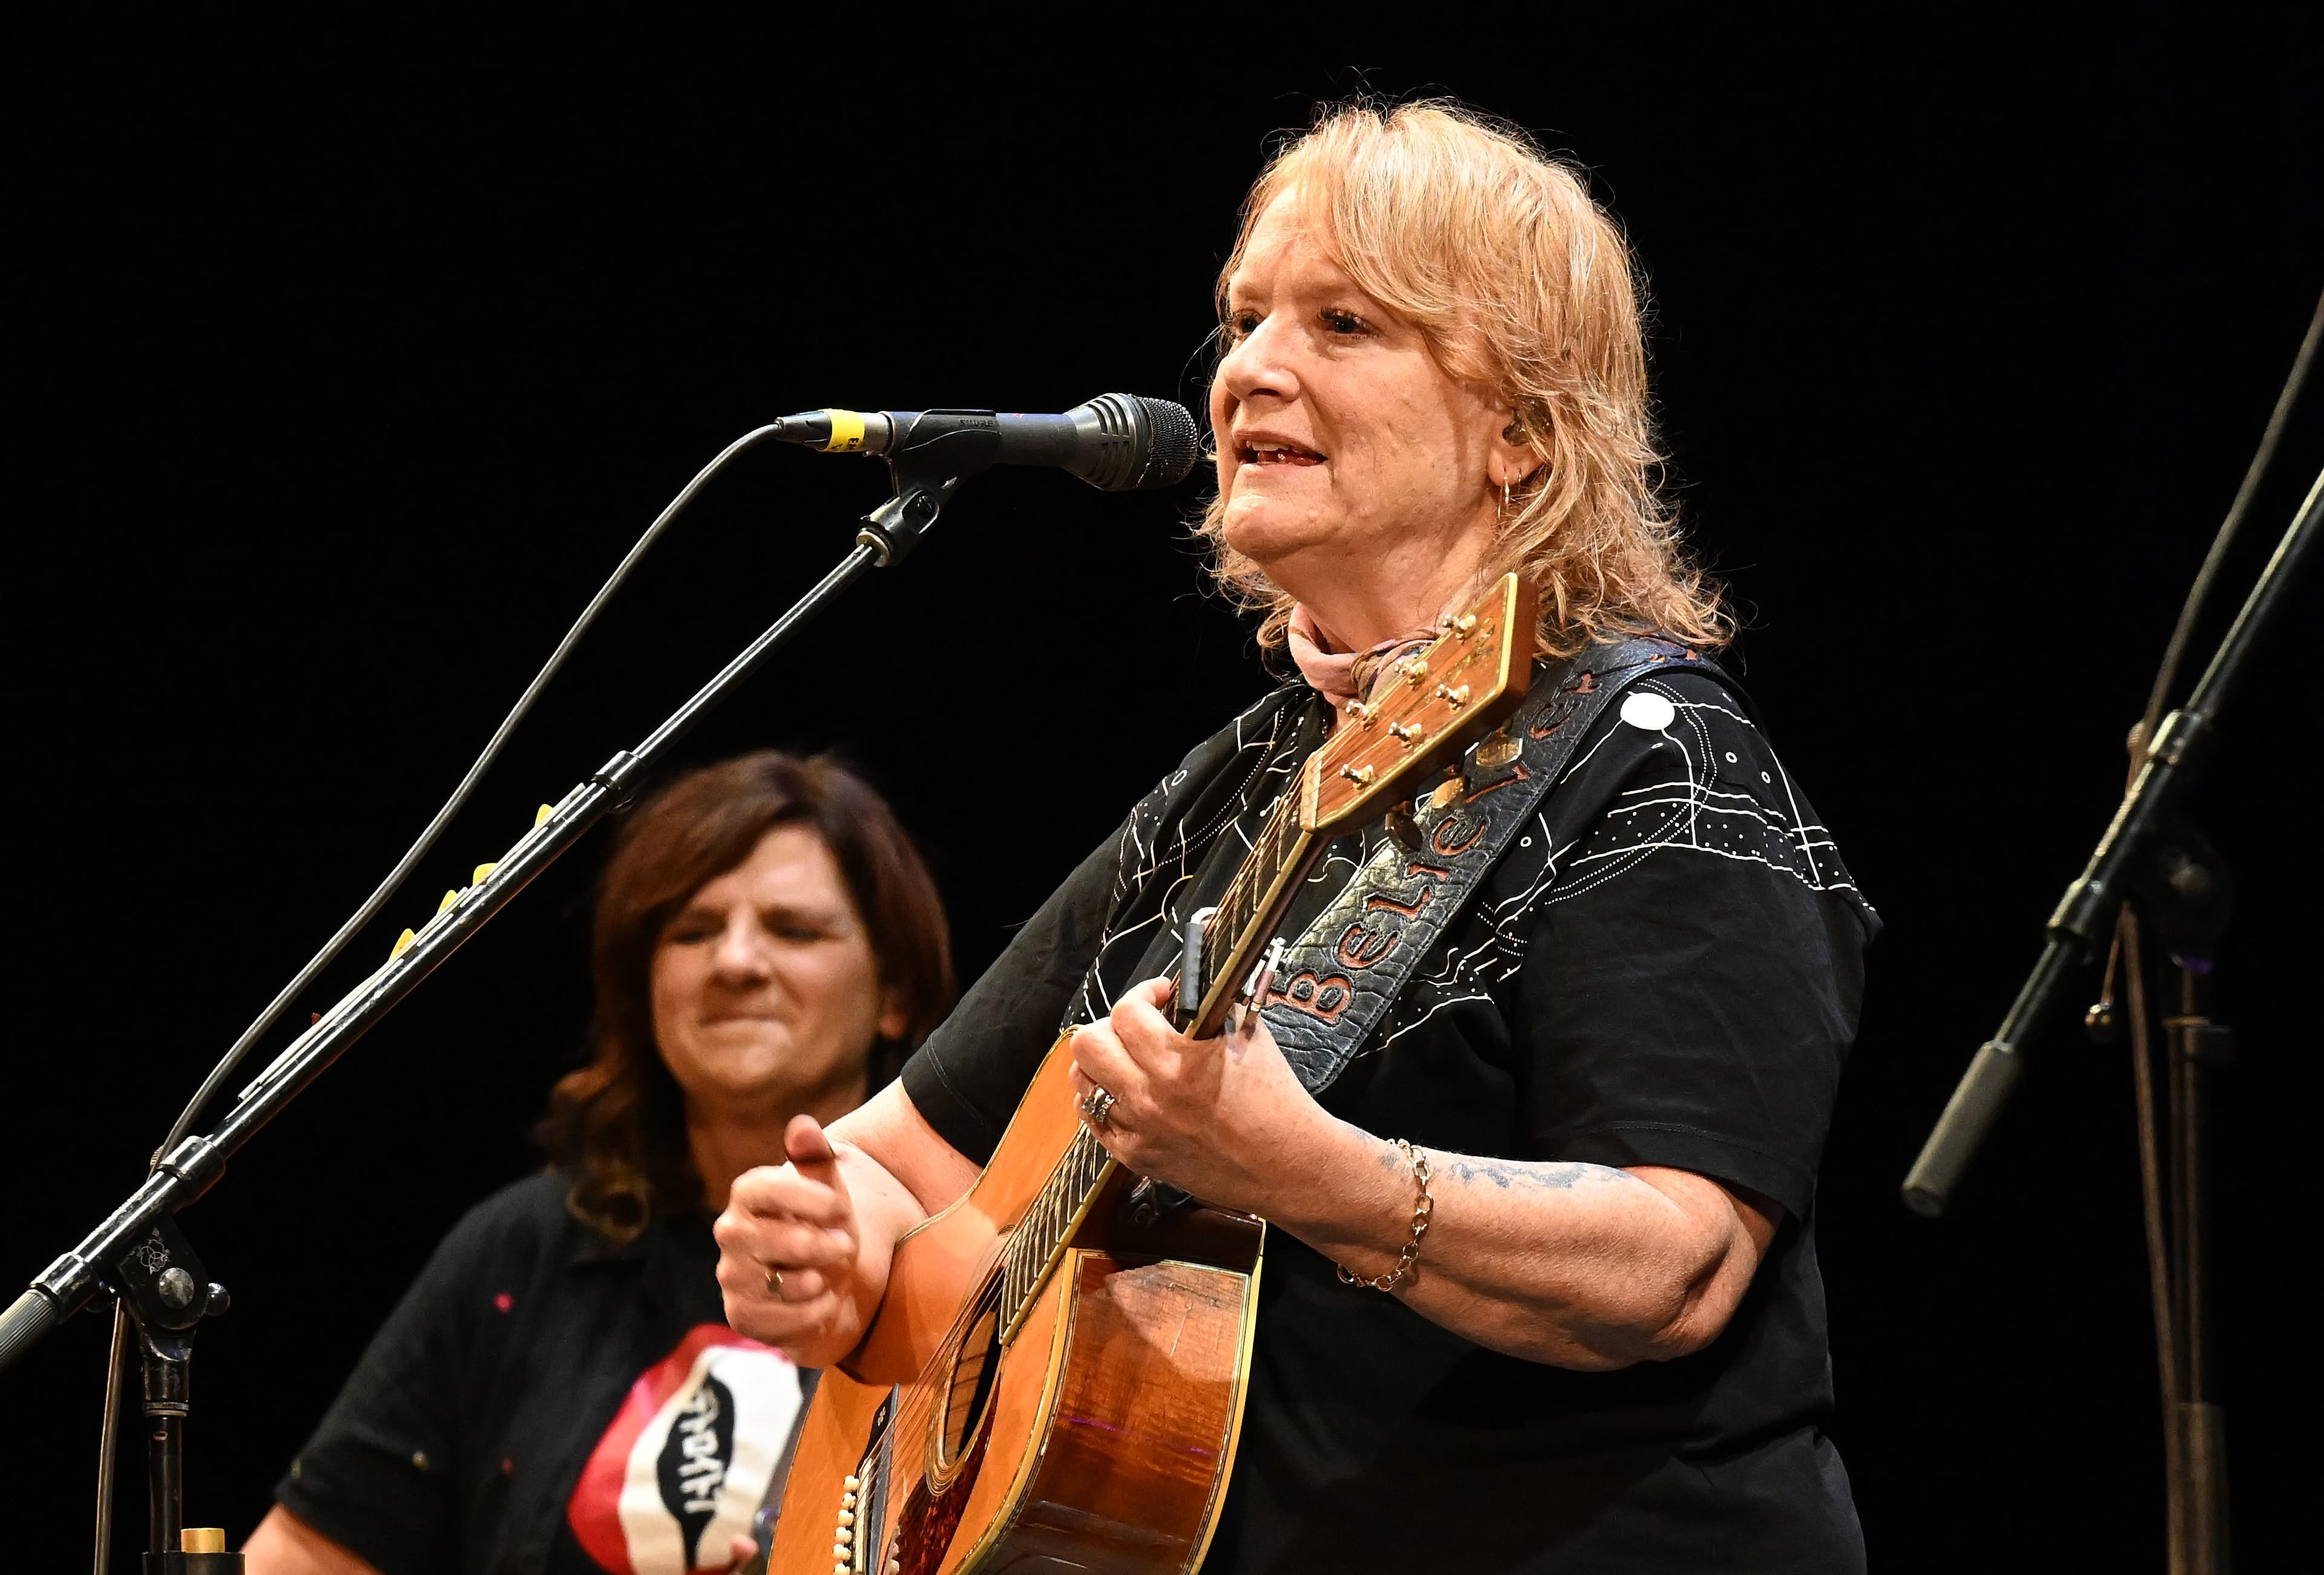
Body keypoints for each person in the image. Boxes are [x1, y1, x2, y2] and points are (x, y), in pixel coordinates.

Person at [715, 100, 1880, 1574]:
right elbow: (892, 1165)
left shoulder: (1660, 765)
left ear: (1522, 430)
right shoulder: (1252, 775)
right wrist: (831, 1258)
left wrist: (1306, 1169)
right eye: (1244, 318)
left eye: (1342, 323)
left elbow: (1676, 1261)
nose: (1250, 368)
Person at [245, 751, 954, 1575]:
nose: (735, 962)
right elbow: (306, 1551)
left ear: (895, 988)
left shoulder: (968, 1244)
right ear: (643, 985)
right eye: (690, 932)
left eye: (793, 930)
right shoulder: (524, 1248)